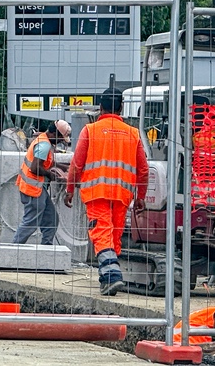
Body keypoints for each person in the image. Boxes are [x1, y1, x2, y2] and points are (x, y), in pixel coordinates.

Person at [64, 86, 149, 296]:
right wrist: (141, 197)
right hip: (122, 195)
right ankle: (108, 275)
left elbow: (77, 164)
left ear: (100, 107)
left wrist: (70, 189)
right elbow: (143, 169)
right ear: (121, 107)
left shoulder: (90, 131)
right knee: (113, 237)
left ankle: (111, 276)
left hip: (96, 193)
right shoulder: (133, 133)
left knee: (102, 234)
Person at [13, 119, 71, 245]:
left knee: (51, 219)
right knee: (30, 223)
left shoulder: (44, 140)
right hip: (33, 189)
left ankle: (47, 248)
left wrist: (64, 167)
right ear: (54, 134)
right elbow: (35, 168)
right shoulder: (44, 145)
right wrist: (51, 175)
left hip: (36, 189)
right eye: (60, 138)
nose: (61, 141)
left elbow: (46, 162)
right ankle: (14, 249)